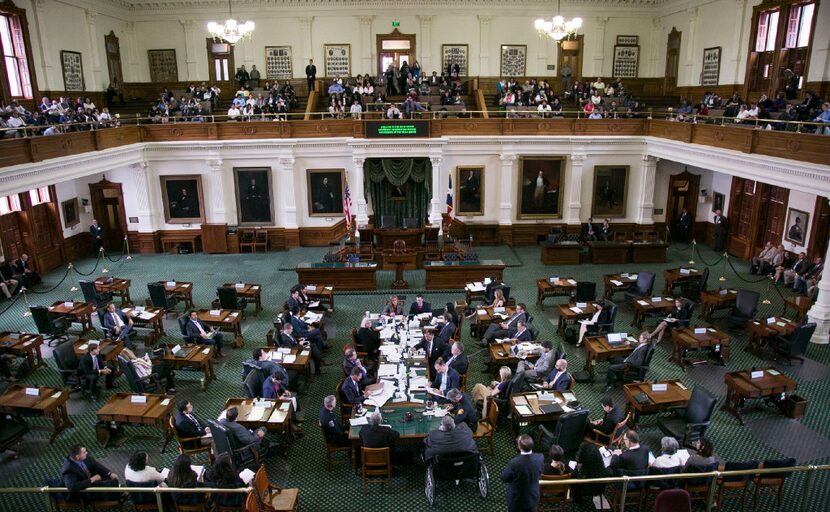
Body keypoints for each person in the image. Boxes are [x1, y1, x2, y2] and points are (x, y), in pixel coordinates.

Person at [500, 434, 545, 512]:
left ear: (519, 447)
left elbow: (504, 478)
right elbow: (541, 471)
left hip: (517, 499)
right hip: (533, 496)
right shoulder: (540, 458)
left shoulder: (514, 463)